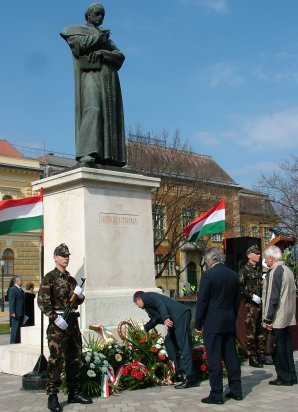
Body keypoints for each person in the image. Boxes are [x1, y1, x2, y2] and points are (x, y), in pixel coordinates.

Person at [60, 3, 126, 168]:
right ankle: (86, 153)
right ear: (88, 15)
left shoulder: (106, 38)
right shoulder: (77, 30)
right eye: (97, 13)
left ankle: (111, 158)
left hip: (108, 78)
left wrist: (103, 53)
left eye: (102, 14)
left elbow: (120, 56)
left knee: (110, 116)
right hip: (90, 75)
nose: (100, 17)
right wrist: (100, 39)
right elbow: (80, 46)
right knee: (93, 108)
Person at [37, 244, 92, 412]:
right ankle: (52, 396)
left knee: (75, 358)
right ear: (55, 257)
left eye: (67, 255)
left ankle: (74, 392)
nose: (66, 258)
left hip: (72, 323)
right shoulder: (50, 278)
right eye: (62, 255)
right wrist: (55, 318)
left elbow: (77, 301)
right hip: (58, 325)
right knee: (56, 361)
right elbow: (42, 302)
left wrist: (80, 296)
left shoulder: (71, 279)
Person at [195, 247, 242, 405]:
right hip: (229, 321)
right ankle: (236, 390)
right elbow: (237, 301)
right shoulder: (233, 275)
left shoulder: (208, 275)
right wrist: (232, 316)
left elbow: (202, 301)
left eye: (206, 262)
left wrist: (198, 323)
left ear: (209, 261)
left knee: (214, 359)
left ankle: (216, 394)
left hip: (213, 323)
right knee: (231, 357)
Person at [133, 290, 198, 389]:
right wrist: (143, 329)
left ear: (138, 299)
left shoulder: (146, 297)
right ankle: (180, 372)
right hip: (175, 319)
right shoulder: (147, 306)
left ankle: (190, 377)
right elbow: (155, 319)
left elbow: (160, 303)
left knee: (183, 345)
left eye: (136, 304)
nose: (137, 306)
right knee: (169, 343)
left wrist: (166, 318)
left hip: (180, 315)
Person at [262, 245, 297, 386]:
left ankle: (284, 377)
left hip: (277, 316)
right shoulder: (288, 270)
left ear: (271, 258)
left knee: (278, 348)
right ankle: (291, 375)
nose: (265, 260)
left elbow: (272, 297)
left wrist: (268, 318)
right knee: (287, 346)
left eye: (266, 258)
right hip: (287, 314)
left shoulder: (275, 272)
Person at [238, 244, 269, 367]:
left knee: (262, 331)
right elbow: (239, 288)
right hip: (250, 306)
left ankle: (261, 355)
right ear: (249, 255)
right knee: (251, 331)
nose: (259, 255)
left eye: (259, 253)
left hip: (261, 304)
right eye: (256, 253)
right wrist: (251, 296)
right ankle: (252, 356)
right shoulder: (244, 270)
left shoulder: (259, 269)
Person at [8, 275, 25, 344]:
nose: (22, 281)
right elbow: (11, 302)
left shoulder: (20, 289)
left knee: (19, 329)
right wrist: (12, 312)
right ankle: (13, 342)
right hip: (16, 313)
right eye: (21, 280)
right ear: (17, 281)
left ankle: (18, 341)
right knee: (15, 329)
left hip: (21, 312)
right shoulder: (13, 289)